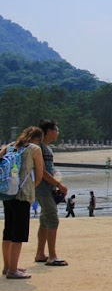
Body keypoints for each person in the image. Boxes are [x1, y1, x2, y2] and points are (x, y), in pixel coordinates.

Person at [1, 126, 44, 279]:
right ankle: (13, 270)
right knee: (19, 233)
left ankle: (7, 266)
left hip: (7, 193)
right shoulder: (34, 149)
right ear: (38, 139)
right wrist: (31, 187)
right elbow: (39, 174)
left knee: (8, 230)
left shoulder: (10, 146)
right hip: (23, 194)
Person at [34, 119, 69, 267]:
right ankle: (52, 256)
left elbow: (48, 170)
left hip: (45, 188)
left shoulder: (47, 148)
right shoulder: (40, 148)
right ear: (49, 131)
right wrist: (58, 184)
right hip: (43, 189)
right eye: (56, 129)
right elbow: (41, 172)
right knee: (52, 218)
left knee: (44, 220)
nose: (58, 132)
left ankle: (40, 253)